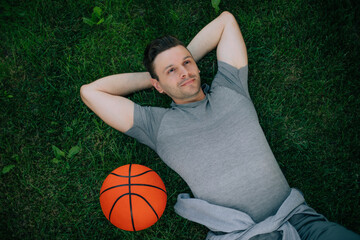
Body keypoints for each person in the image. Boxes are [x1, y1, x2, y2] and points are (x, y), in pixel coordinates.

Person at [80, 11, 359, 240]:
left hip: (300, 220)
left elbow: (225, 21)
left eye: (187, 63)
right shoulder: (157, 124)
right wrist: (154, 78)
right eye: (171, 71)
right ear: (157, 86)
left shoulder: (231, 87)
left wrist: (178, 66)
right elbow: (91, 93)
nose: (185, 72)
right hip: (243, 236)